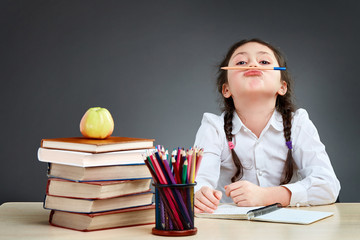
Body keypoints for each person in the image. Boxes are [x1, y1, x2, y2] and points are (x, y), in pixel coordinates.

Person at [193, 38, 340, 213]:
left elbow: (328, 185)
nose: (253, 64)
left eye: (264, 61)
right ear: (226, 89)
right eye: (241, 62)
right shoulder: (213, 128)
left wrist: (265, 196)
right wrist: (198, 194)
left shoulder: (298, 123)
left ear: (282, 86)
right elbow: (197, 183)